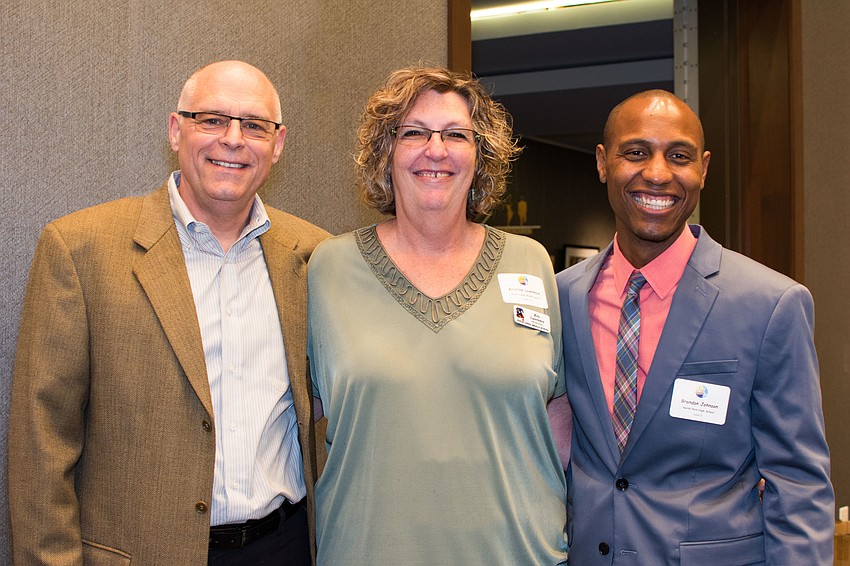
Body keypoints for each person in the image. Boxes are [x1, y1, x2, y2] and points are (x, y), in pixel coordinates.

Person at [8, 60, 329, 565]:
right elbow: (41, 445)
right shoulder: (80, 250)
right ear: (177, 130)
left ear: (278, 143)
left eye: (254, 125)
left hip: (285, 547)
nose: (233, 139)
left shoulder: (315, 255)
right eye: (212, 120)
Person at [554, 89, 834, 564]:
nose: (658, 173)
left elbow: (799, 484)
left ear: (703, 168)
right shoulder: (561, 298)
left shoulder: (769, 305)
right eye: (636, 152)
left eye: (678, 156)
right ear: (603, 162)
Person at [307, 66, 569, 564]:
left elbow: (557, 419)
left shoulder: (530, 263)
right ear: (385, 153)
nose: (436, 149)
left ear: (481, 156)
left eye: (455, 135)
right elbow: (298, 421)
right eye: (414, 133)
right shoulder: (328, 270)